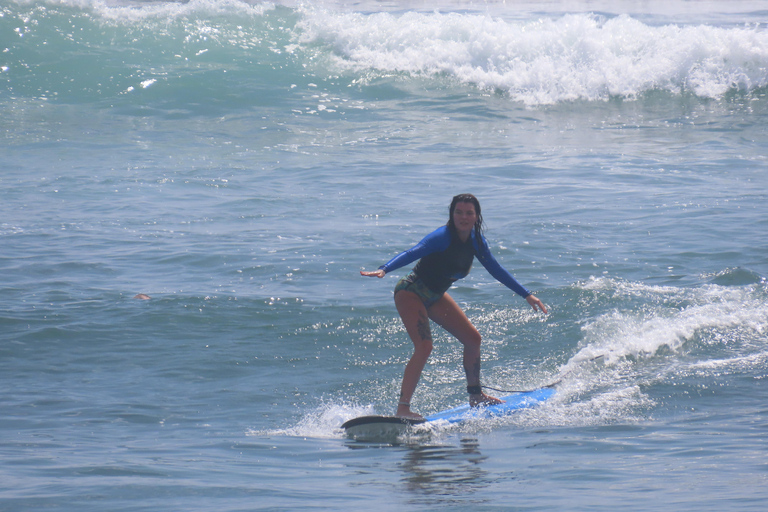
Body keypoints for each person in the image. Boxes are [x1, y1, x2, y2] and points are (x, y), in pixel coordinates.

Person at [361, 194, 547, 420]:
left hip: (436, 295)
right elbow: (413, 252)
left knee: (473, 339)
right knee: (425, 347)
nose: (464, 217)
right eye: (459, 212)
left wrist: (526, 294)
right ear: (452, 214)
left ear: (477, 216)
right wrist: (385, 269)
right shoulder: (442, 237)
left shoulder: (476, 241)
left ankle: (476, 396)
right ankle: (403, 409)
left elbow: (495, 269)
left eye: (469, 213)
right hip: (411, 291)